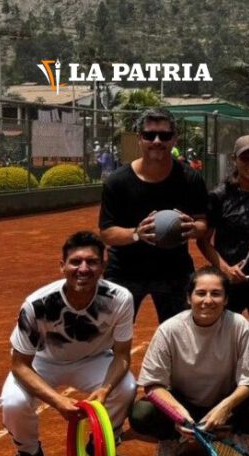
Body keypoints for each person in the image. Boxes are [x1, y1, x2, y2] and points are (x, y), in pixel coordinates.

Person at [0, 231, 137, 456]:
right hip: (43, 362)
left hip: (94, 359)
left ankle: (97, 449)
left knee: (127, 387)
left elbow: (122, 355)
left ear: (103, 267)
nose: (83, 269)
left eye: (92, 262)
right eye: (75, 262)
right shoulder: (37, 304)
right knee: (14, 402)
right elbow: (19, 365)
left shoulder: (120, 298)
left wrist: (105, 389)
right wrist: (58, 401)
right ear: (62, 266)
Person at [129, 267, 249, 456]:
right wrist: (178, 414)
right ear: (189, 298)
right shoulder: (169, 329)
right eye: (201, 293)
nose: (208, 300)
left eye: (216, 294)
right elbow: (153, 384)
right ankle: (171, 439)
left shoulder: (239, 325)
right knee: (141, 413)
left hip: (225, 402)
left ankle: (238, 434)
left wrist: (224, 408)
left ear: (226, 300)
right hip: (184, 403)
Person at [98, 107, 208, 323]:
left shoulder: (190, 179)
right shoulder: (118, 181)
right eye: (149, 135)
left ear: (174, 139)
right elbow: (107, 233)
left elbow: (203, 223)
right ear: (140, 138)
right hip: (125, 271)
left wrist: (192, 228)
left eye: (165, 135)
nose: (157, 141)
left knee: (180, 339)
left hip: (174, 271)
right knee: (111, 339)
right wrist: (137, 234)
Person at [196, 135, 249, 379]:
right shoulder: (219, 195)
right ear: (235, 159)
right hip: (228, 280)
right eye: (245, 158)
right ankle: (219, 391)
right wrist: (224, 268)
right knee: (221, 340)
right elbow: (203, 240)